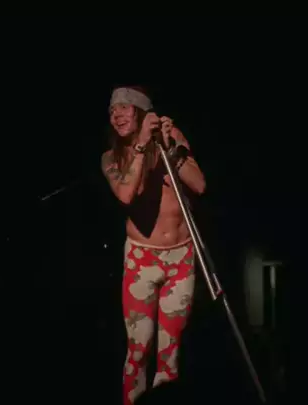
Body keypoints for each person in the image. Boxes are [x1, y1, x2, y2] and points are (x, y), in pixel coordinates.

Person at [100, 85, 206, 405]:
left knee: (169, 353)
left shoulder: (171, 138)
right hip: (141, 259)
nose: (117, 115)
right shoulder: (111, 158)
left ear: (142, 112)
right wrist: (142, 145)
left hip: (181, 256)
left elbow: (199, 185)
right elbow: (126, 195)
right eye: (112, 110)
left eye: (124, 108)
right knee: (138, 350)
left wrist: (171, 147)